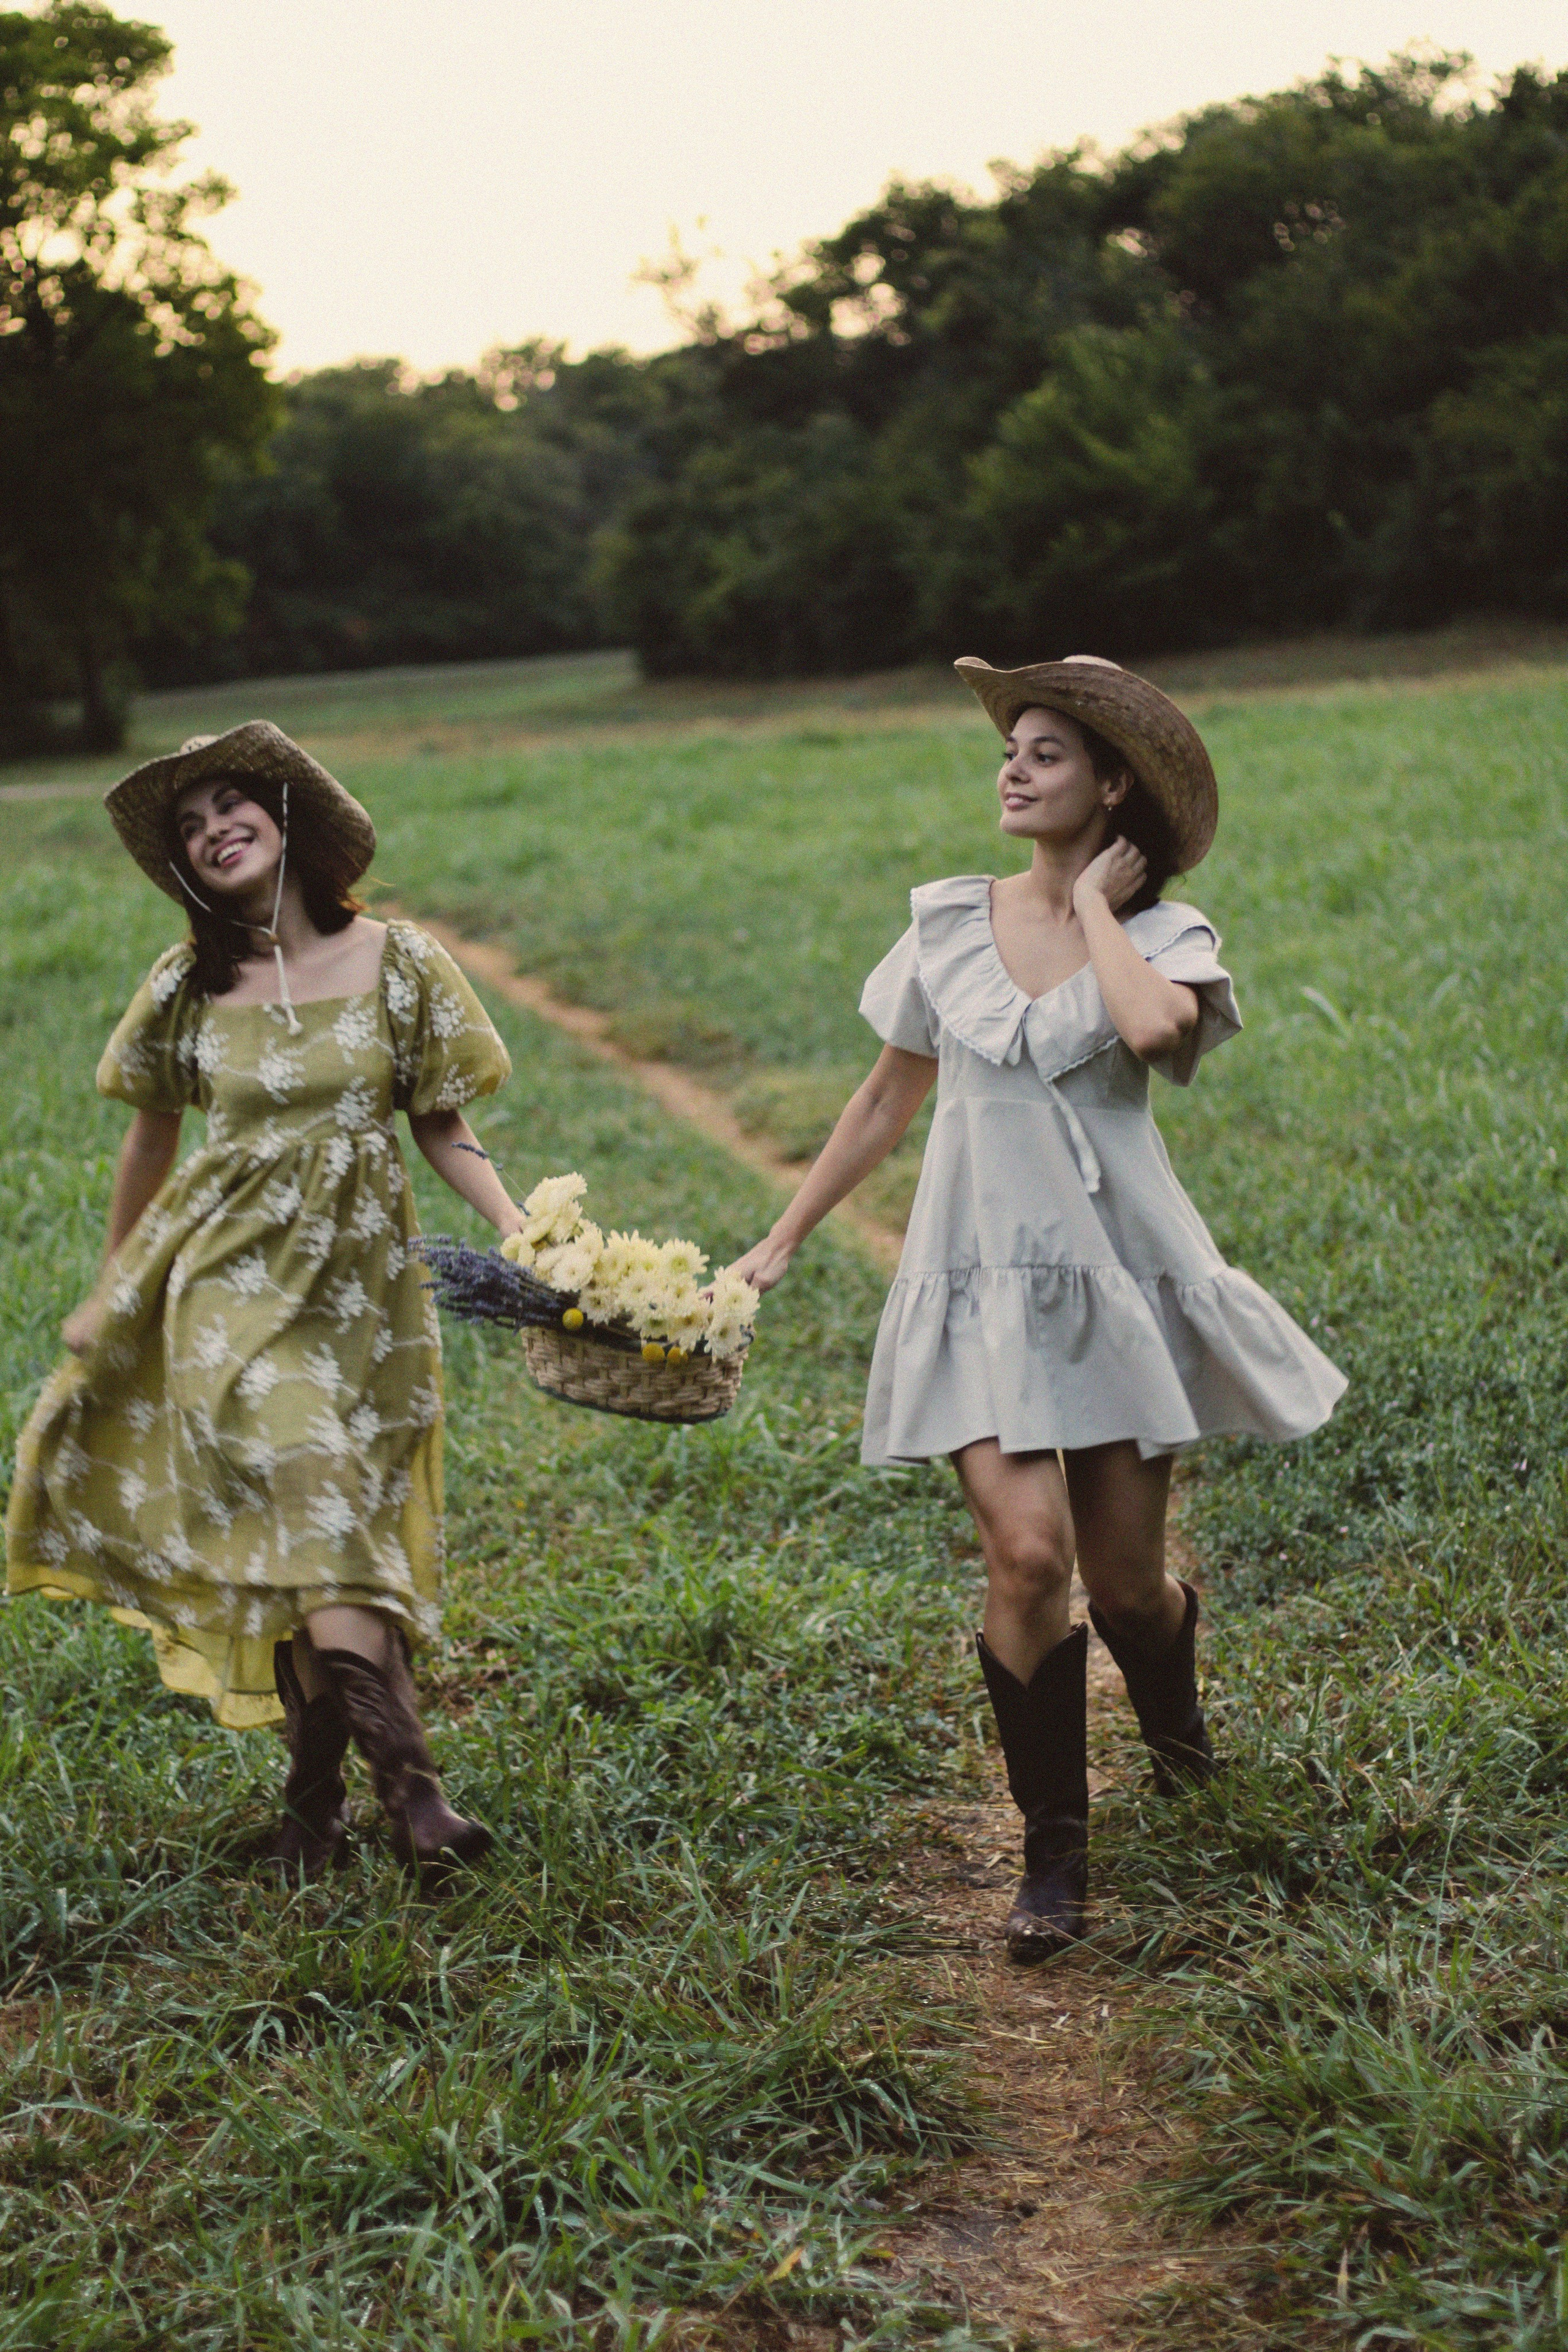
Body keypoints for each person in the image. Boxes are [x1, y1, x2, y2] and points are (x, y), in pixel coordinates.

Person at [732, 657, 1346, 1958]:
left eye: (1046, 752)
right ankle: (1053, 1855)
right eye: (1009, 749)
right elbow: (885, 1094)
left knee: (1125, 1589)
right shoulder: (949, 924)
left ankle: (1178, 1741)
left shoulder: (1167, 938)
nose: (1012, 768)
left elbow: (1156, 1035)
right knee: (1024, 1557)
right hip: (975, 1279)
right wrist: (782, 1238)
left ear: (1112, 785)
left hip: (1111, 1281)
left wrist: (1100, 909)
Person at [6, 722, 523, 1879]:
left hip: (368, 1297)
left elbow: (441, 1120)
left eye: (230, 805)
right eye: (190, 828)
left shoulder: (401, 961)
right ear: (185, 867)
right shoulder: (187, 984)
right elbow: (150, 1138)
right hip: (230, 1284)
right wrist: (113, 1285)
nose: (213, 831)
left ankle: (311, 1813)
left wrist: (520, 1228)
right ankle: (416, 1794)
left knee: (320, 1529)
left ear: (284, 815)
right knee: (315, 1491)